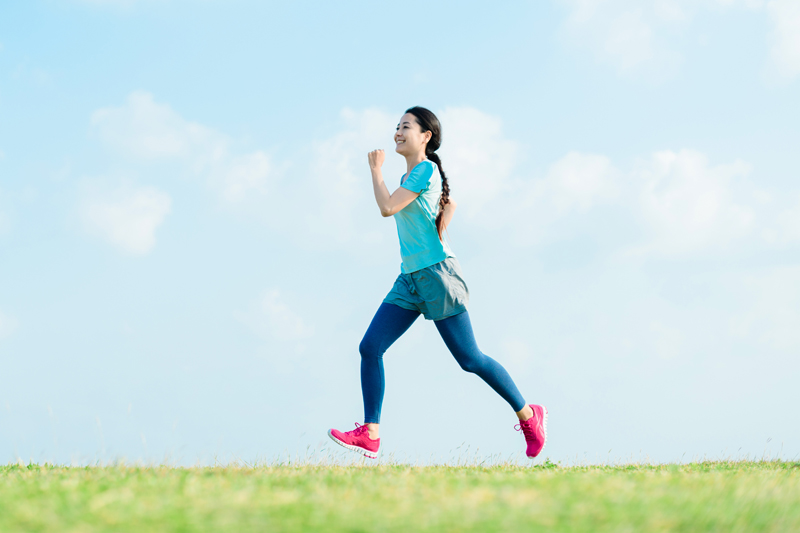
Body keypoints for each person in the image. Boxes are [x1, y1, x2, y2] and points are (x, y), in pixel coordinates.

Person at [328, 106, 547, 460]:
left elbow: (387, 208)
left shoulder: (425, 169)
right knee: (370, 348)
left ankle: (528, 414)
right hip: (410, 278)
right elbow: (448, 204)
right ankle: (370, 433)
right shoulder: (417, 176)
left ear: (425, 136)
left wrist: (375, 170)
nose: (397, 132)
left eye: (405, 127)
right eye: (396, 127)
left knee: (470, 359)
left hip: (436, 276)